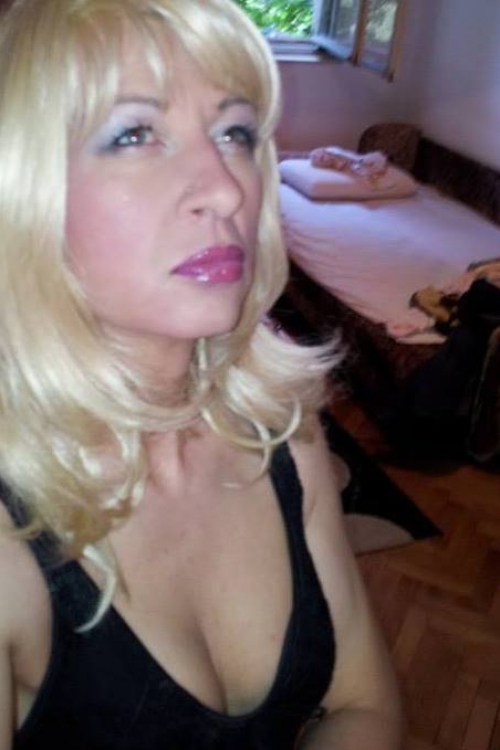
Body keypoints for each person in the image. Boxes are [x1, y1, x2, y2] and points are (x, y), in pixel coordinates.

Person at [0, 0, 403, 747]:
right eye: (134, 134)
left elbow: (363, 704)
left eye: (235, 132)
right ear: (23, 190)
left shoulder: (283, 433)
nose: (226, 189)